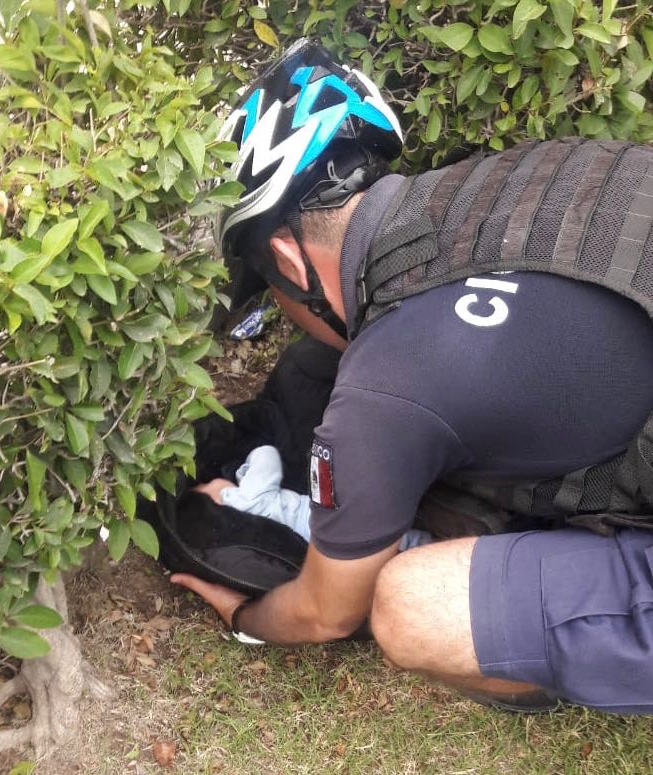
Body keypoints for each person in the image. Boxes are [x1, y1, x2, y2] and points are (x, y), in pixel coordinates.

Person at [171, 38, 653, 714]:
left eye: (265, 290)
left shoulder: (387, 382)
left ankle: (549, 658)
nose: (279, 311)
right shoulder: (507, 181)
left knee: (411, 604)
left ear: (286, 256)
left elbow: (325, 610)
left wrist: (243, 617)